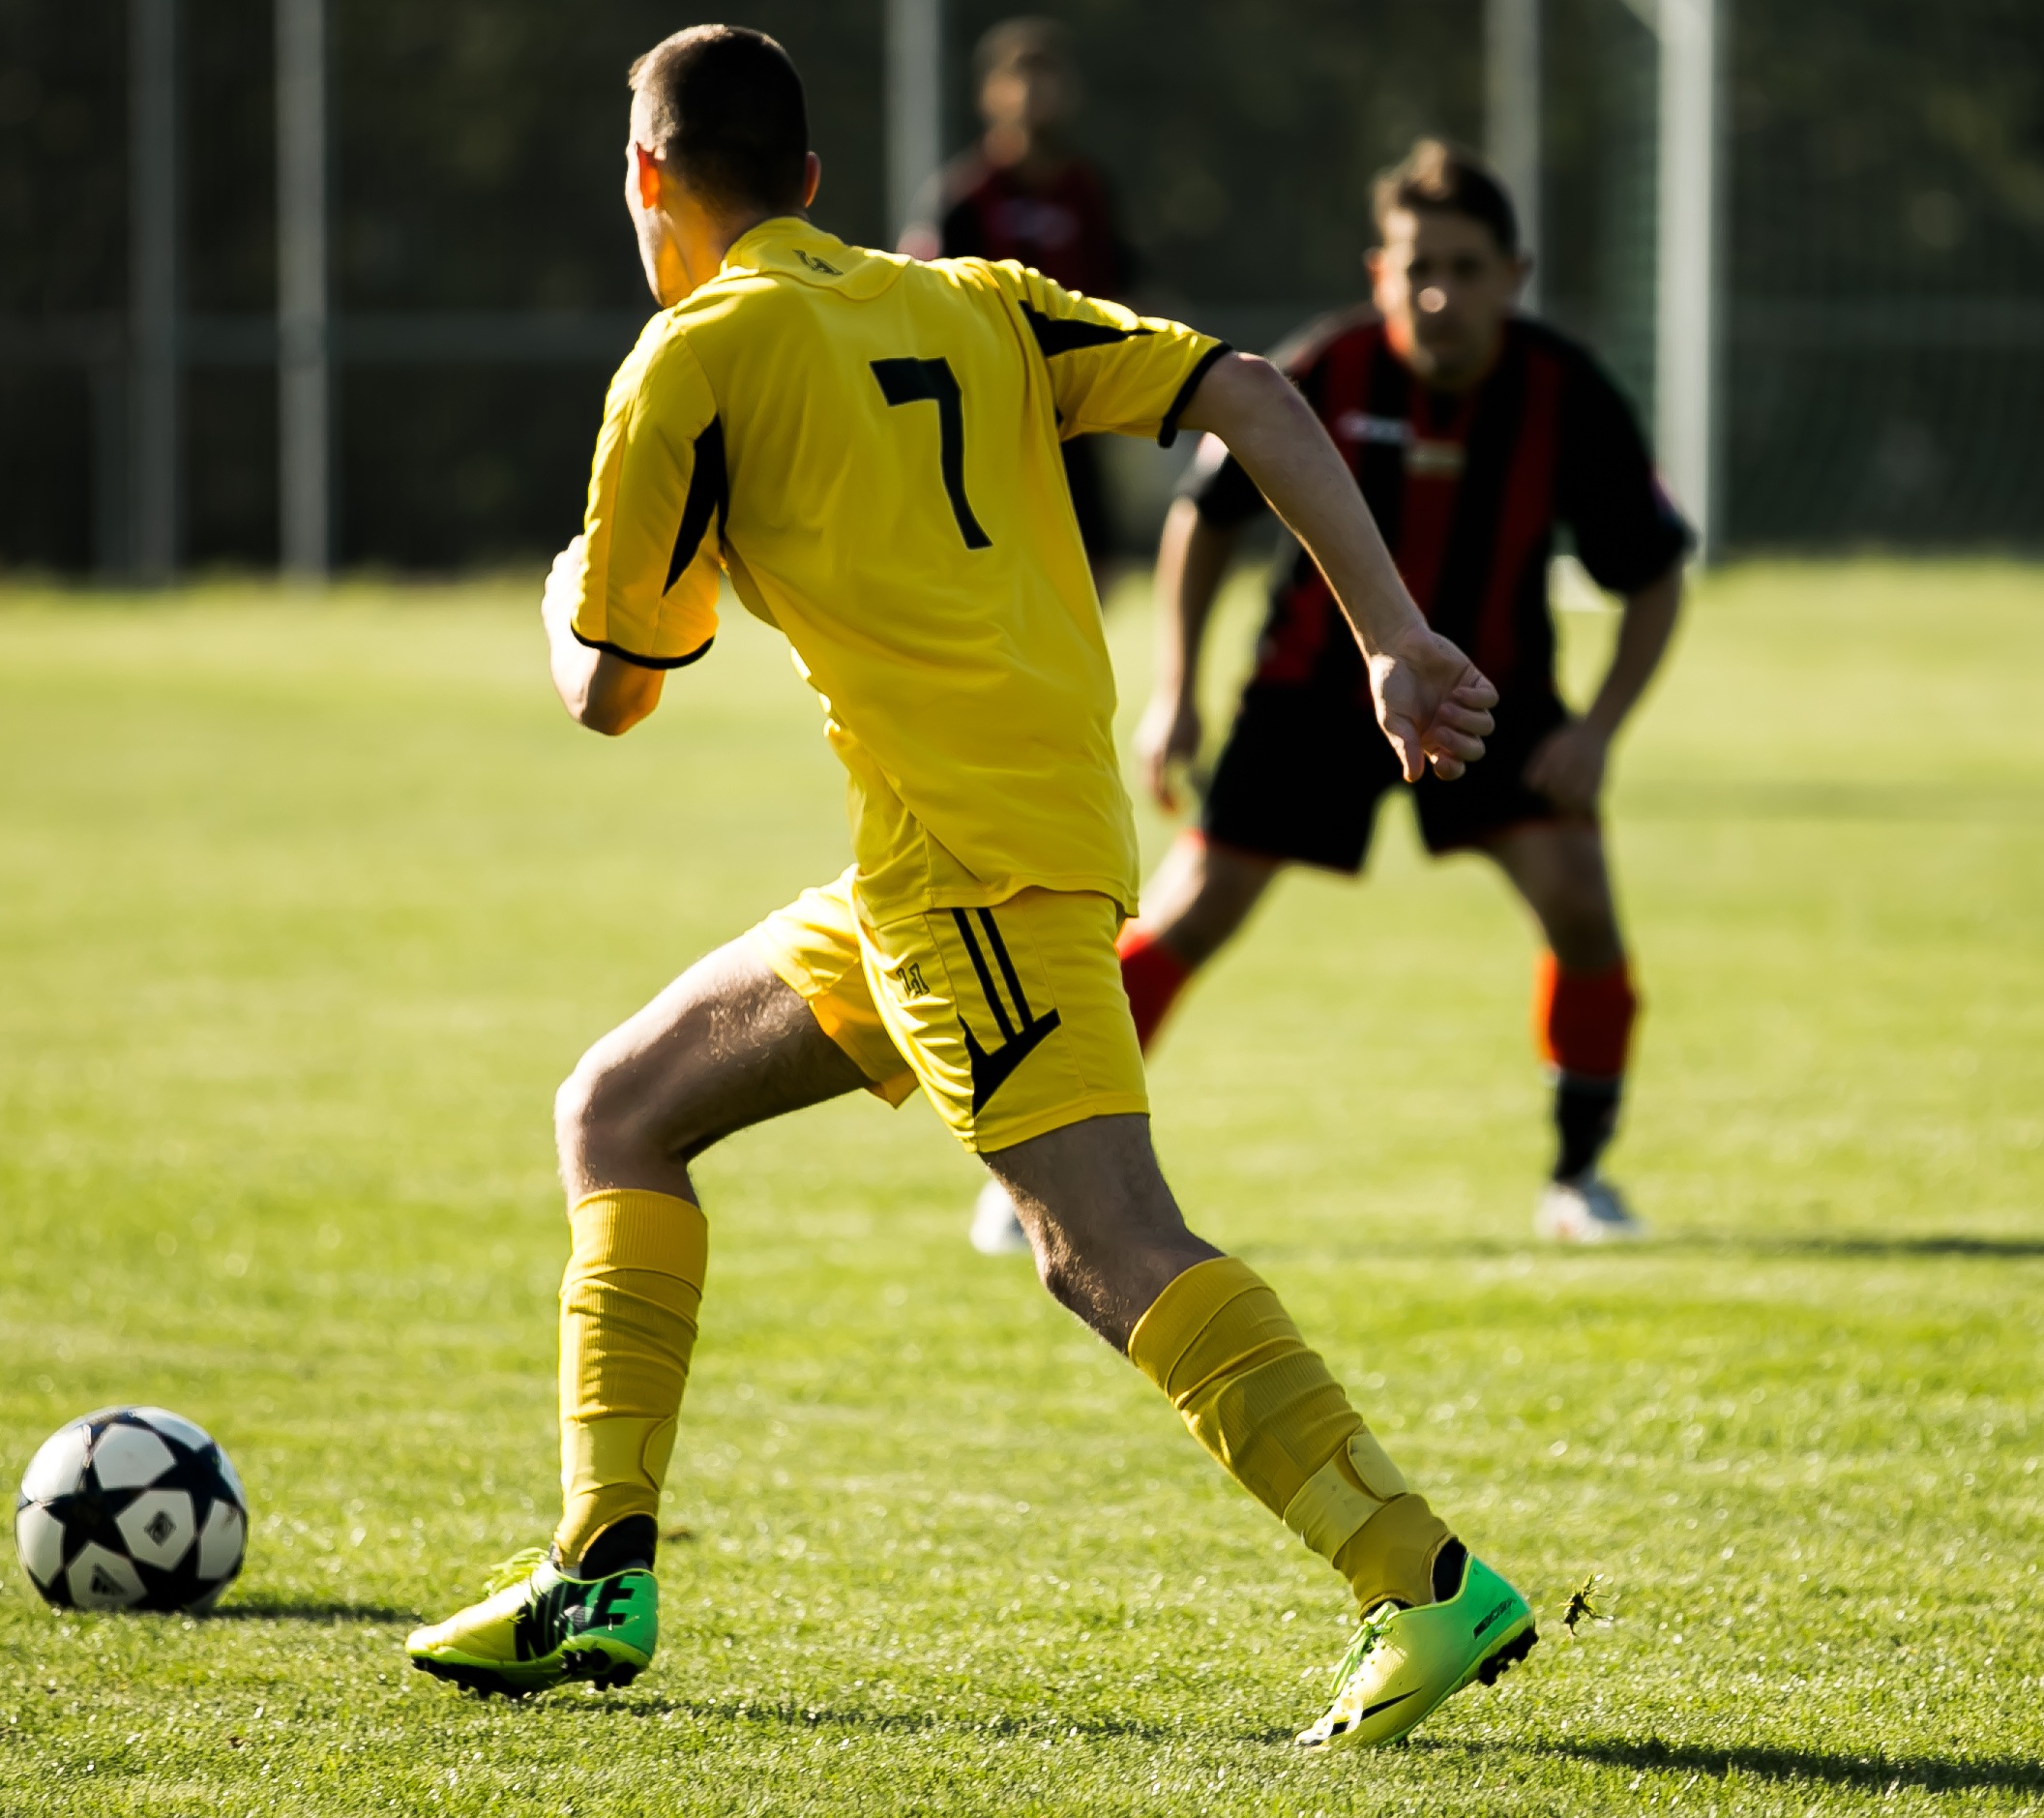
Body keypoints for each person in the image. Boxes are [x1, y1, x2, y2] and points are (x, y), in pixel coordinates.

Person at [402, 27, 1536, 1752]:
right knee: (619, 1106)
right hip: (931, 859)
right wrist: (1389, 632)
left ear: (649, 183)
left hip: (974, 875)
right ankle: (599, 1564)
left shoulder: (687, 356)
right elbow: (1250, 389)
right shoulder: (975, 297)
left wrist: (570, 593)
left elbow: (615, 684)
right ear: (811, 179)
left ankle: (1419, 1574)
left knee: (1104, 1242)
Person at [966, 140, 1688, 1256]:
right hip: (1312, 692)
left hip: (1490, 699)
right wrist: (1177, 694)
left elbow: (1651, 574)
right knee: (1189, 911)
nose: (1438, 292)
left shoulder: (1567, 393)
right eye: (1417, 266)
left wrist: (1598, 731)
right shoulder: (1325, 372)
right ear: (1378, 270)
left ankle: (1578, 1178)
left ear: (1515, 273)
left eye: (1465, 266)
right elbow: (1201, 523)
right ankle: (1042, 1168)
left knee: (1581, 904)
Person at [904, 17, 1136, 581]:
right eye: (1020, 76)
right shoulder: (963, 197)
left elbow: (1121, 286)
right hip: (990, 407)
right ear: (992, 93)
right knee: (992, 557)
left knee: (1091, 559)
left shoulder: (1088, 190)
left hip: (1073, 405)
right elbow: (922, 300)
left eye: (1047, 75)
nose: (1034, 92)